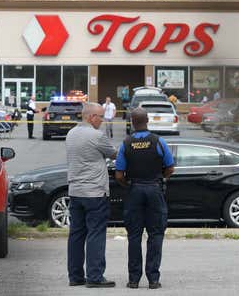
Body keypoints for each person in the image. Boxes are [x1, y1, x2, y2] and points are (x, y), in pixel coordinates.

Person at [115, 108, 174, 290]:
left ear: (132, 121)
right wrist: (160, 178)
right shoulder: (158, 141)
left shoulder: (126, 143)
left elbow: (118, 175)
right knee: (156, 234)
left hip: (135, 190)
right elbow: (170, 167)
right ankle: (153, 279)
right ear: (147, 120)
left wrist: (129, 185)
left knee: (134, 236)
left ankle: (133, 280)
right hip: (154, 189)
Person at [65, 102, 117, 288]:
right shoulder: (97, 135)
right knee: (96, 233)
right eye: (100, 116)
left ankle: (75, 276)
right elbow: (114, 154)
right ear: (90, 117)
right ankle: (95, 277)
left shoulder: (71, 134)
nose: (102, 120)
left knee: (76, 234)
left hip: (75, 191)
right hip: (94, 192)